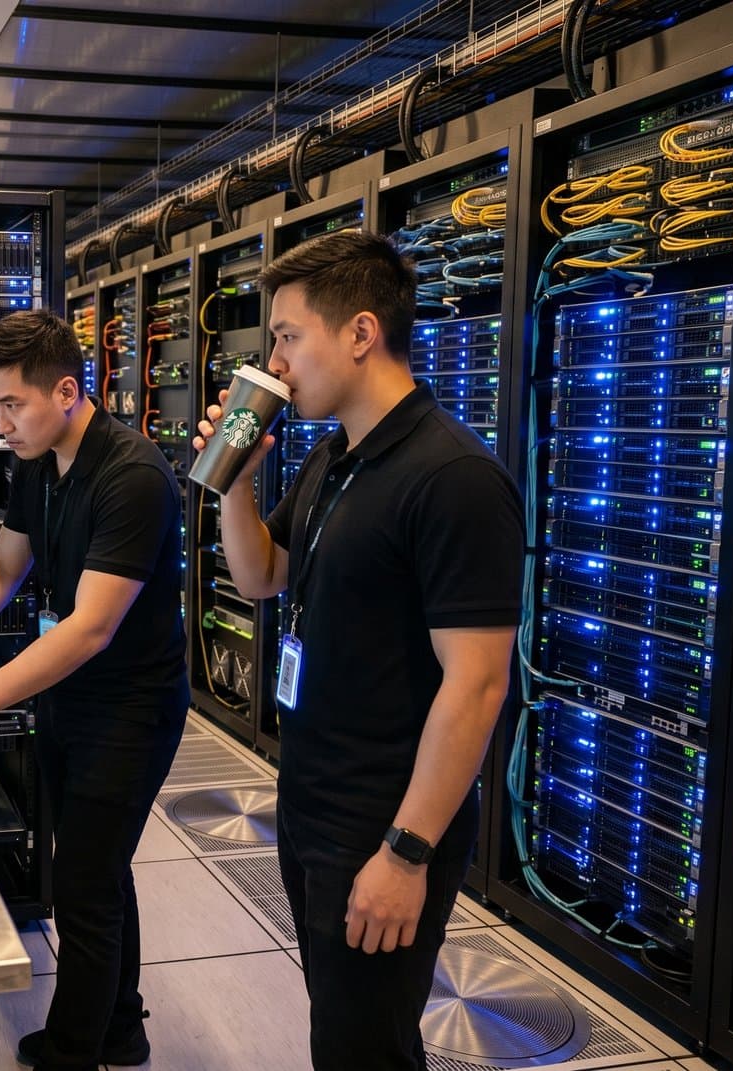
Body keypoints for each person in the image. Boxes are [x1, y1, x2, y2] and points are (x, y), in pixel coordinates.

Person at [192, 230, 520, 1070]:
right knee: (347, 1032)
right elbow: (263, 574)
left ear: (361, 333)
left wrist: (406, 852)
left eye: (289, 336)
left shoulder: (454, 478)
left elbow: (478, 685)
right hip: (313, 801)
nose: (276, 361)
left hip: (384, 822)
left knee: (362, 1046)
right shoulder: (335, 458)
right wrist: (234, 478)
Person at [0, 309, 189, 1071]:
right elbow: (2, 567)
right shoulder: (36, 462)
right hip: (69, 695)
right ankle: (122, 1024)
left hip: (130, 704)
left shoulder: (133, 477)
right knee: (98, 862)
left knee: (83, 881)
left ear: (66, 390)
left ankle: (75, 1048)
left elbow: (89, 628)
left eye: (10, 405)